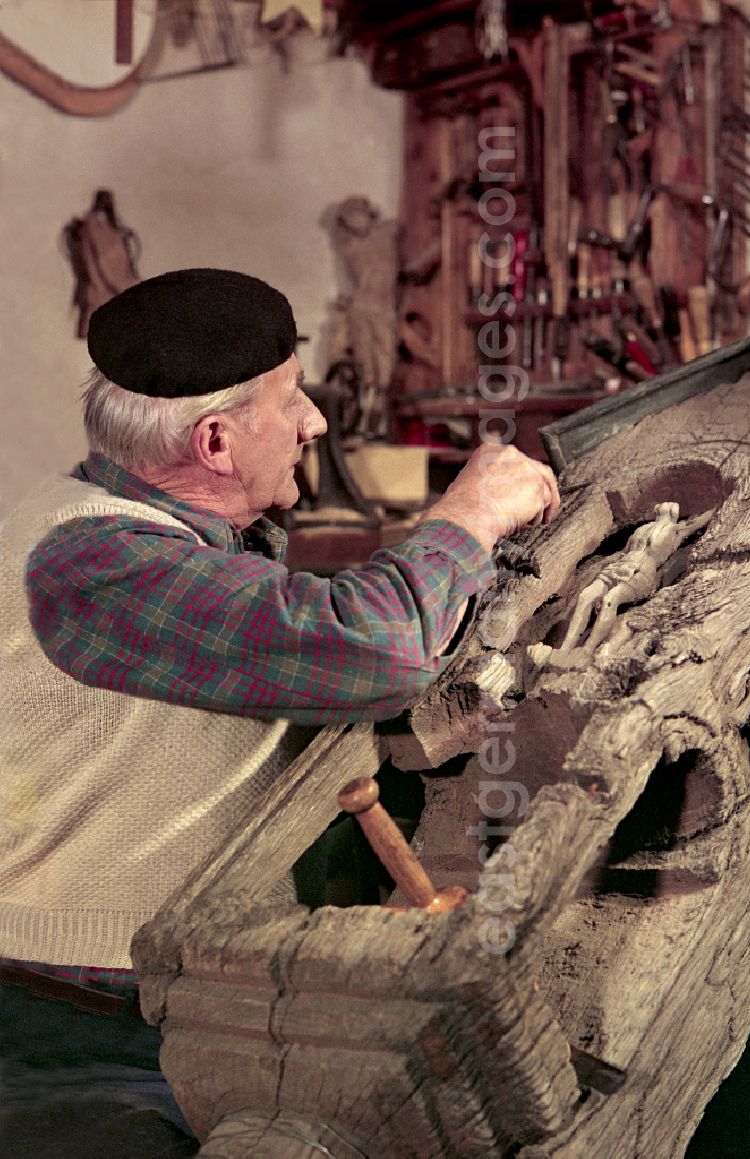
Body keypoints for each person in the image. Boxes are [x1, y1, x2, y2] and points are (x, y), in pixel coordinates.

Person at [0, 268, 558, 1147]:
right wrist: (471, 513)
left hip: (155, 1002)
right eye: (292, 399)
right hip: (87, 1034)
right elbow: (374, 648)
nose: (316, 422)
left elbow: (287, 614)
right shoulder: (92, 564)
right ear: (216, 442)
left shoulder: (169, 528)